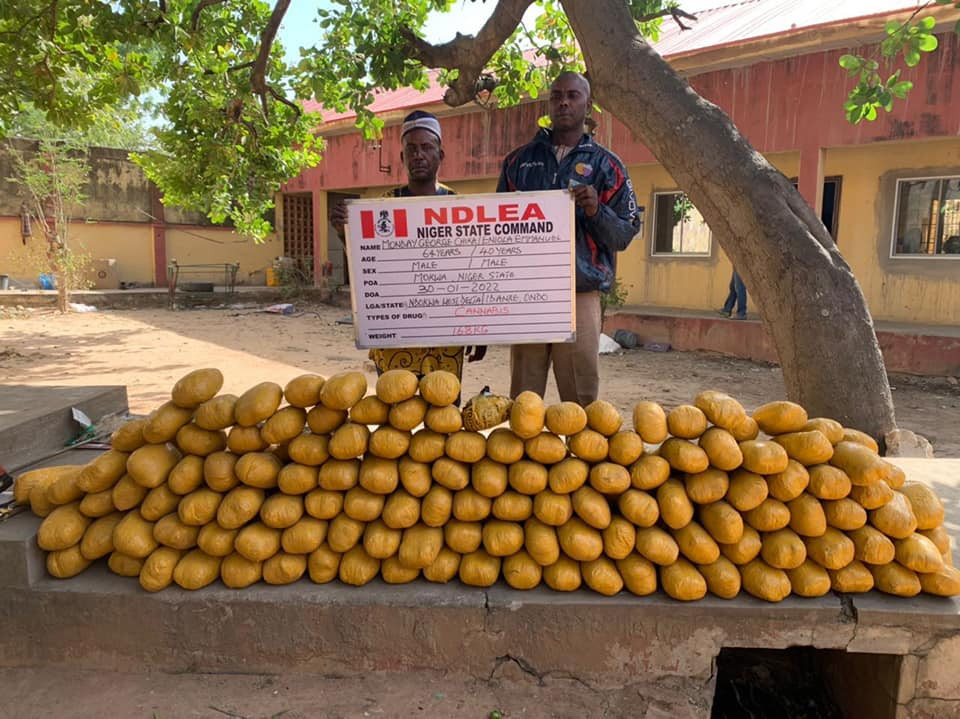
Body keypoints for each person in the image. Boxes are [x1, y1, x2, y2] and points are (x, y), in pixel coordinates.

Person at [496, 71, 641, 405]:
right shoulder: (518, 162)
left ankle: (581, 456)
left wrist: (596, 211)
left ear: (587, 104)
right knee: (524, 397)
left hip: (580, 292)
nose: (564, 102)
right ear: (549, 102)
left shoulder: (608, 166)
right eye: (557, 95)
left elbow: (623, 234)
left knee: (581, 399)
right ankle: (524, 457)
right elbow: (498, 232)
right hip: (528, 295)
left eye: (573, 95)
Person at [332, 110, 485, 385]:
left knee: (443, 416)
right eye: (411, 149)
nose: (419, 155)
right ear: (402, 158)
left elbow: (471, 275)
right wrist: (344, 234)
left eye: (427, 147)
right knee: (396, 417)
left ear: (441, 154)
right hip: (395, 338)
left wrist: (479, 330)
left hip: (445, 342)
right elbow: (366, 270)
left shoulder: (460, 207)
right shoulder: (381, 208)